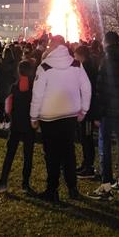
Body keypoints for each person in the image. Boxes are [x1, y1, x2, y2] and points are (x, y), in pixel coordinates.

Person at [30, 35, 91, 203]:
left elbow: (37, 95)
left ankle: (52, 190)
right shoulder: (76, 64)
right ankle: (72, 188)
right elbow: (87, 88)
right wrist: (83, 110)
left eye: (50, 45)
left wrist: (33, 116)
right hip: (70, 116)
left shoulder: (44, 67)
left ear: (54, 46)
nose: (48, 48)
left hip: (49, 118)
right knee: (68, 153)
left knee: (52, 155)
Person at [89, 32, 119, 199]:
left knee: (104, 146)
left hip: (107, 111)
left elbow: (100, 90)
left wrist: (98, 113)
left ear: (106, 43)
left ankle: (106, 185)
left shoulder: (105, 62)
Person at [0, 60, 36, 194]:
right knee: (28, 155)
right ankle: (25, 184)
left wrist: (11, 117)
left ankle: (3, 182)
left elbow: (8, 107)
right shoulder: (33, 88)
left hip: (16, 124)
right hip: (29, 125)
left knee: (10, 154)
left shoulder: (14, 87)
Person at [74, 45, 98, 179]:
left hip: (87, 110)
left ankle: (89, 167)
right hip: (84, 108)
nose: (74, 58)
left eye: (75, 55)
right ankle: (85, 164)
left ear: (81, 55)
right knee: (84, 138)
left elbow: (87, 90)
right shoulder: (87, 66)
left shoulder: (87, 68)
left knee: (87, 138)